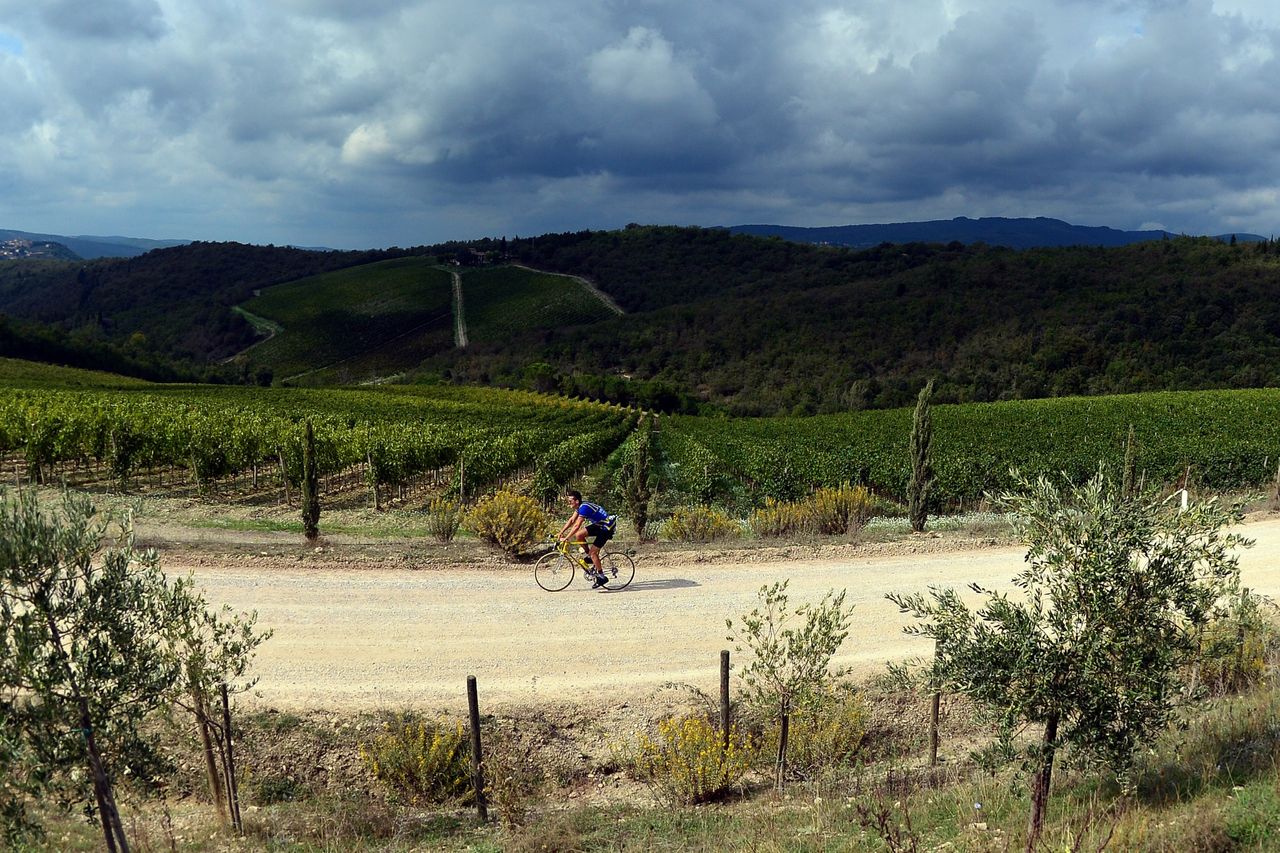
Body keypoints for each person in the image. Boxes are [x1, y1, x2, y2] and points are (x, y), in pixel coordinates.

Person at [557, 490, 617, 589]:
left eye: (570, 501)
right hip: (600, 525)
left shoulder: (584, 508)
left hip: (606, 528)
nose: (569, 503)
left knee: (593, 553)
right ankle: (589, 557)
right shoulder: (580, 507)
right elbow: (572, 520)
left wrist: (566, 538)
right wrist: (561, 532)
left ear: (577, 501)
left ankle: (602, 577)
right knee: (579, 535)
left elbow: (576, 525)